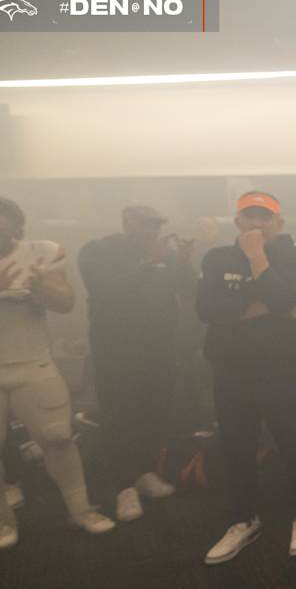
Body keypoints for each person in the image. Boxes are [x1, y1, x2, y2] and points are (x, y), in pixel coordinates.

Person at [0, 195, 115, 549]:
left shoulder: (41, 252)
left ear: (16, 230)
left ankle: (81, 509)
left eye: (0, 232)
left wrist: (42, 290)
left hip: (33, 361)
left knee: (58, 436)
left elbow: (65, 302)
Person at [197, 191, 296, 564]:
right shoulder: (216, 258)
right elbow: (206, 310)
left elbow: (292, 303)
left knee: (295, 443)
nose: (257, 223)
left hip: (284, 370)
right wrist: (263, 304)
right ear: (237, 222)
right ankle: (243, 519)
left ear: (279, 223)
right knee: (236, 448)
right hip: (232, 371)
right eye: (250, 216)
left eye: (265, 217)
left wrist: (256, 258)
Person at [78, 205, 196, 522]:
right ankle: (123, 487)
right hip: (116, 352)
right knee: (120, 418)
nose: (151, 231)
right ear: (126, 223)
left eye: (156, 225)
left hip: (159, 350)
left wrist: (184, 262)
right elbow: (105, 292)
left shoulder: (165, 255)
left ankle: (145, 472)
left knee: (155, 413)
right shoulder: (98, 250)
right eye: (144, 225)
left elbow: (188, 291)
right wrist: (148, 264)